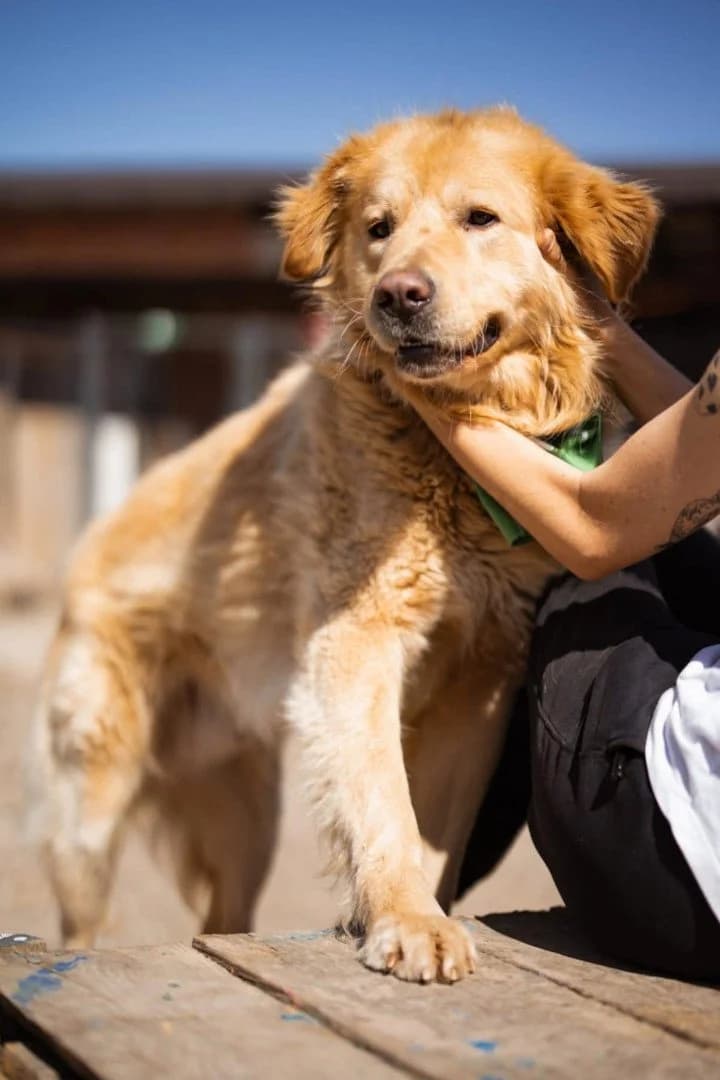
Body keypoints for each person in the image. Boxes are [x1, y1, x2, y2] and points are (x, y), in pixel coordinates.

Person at [415, 230, 720, 980]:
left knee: (559, 565)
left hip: (676, 873)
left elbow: (591, 529)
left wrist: (419, 383)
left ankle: (418, 891)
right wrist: (604, 330)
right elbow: (704, 443)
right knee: (670, 550)